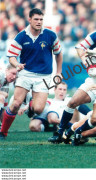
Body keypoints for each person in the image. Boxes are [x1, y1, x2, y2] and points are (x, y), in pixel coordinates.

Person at [48, 30, 96, 143]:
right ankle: (60, 132)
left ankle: (75, 131)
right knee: (72, 102)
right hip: (93, 83)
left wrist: (93, 55)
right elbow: (92, 72)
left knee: (95, 119)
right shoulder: (95, 51)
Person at [0, 8, 63, 140]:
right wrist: (17, 64)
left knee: (39, 109)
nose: (39, 22)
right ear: (29, 19)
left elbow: (58, 54)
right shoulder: (21, 36)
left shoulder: (51, 35)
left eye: (41, 19)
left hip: (44, 76)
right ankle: (3, 132)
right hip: (25, 73)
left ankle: (29, 105)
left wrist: (58, 72)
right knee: (16, 103)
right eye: (36, 19)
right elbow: (11, 56)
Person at [0, 65, 18, 130]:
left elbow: (4, 108)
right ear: (6, 70)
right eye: (13, 73)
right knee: (1, 97)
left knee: (2, 98)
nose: (14, 77)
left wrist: (4, 127)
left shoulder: (6, 84)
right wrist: (2, 93)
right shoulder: (1, 74)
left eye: (16, 75)